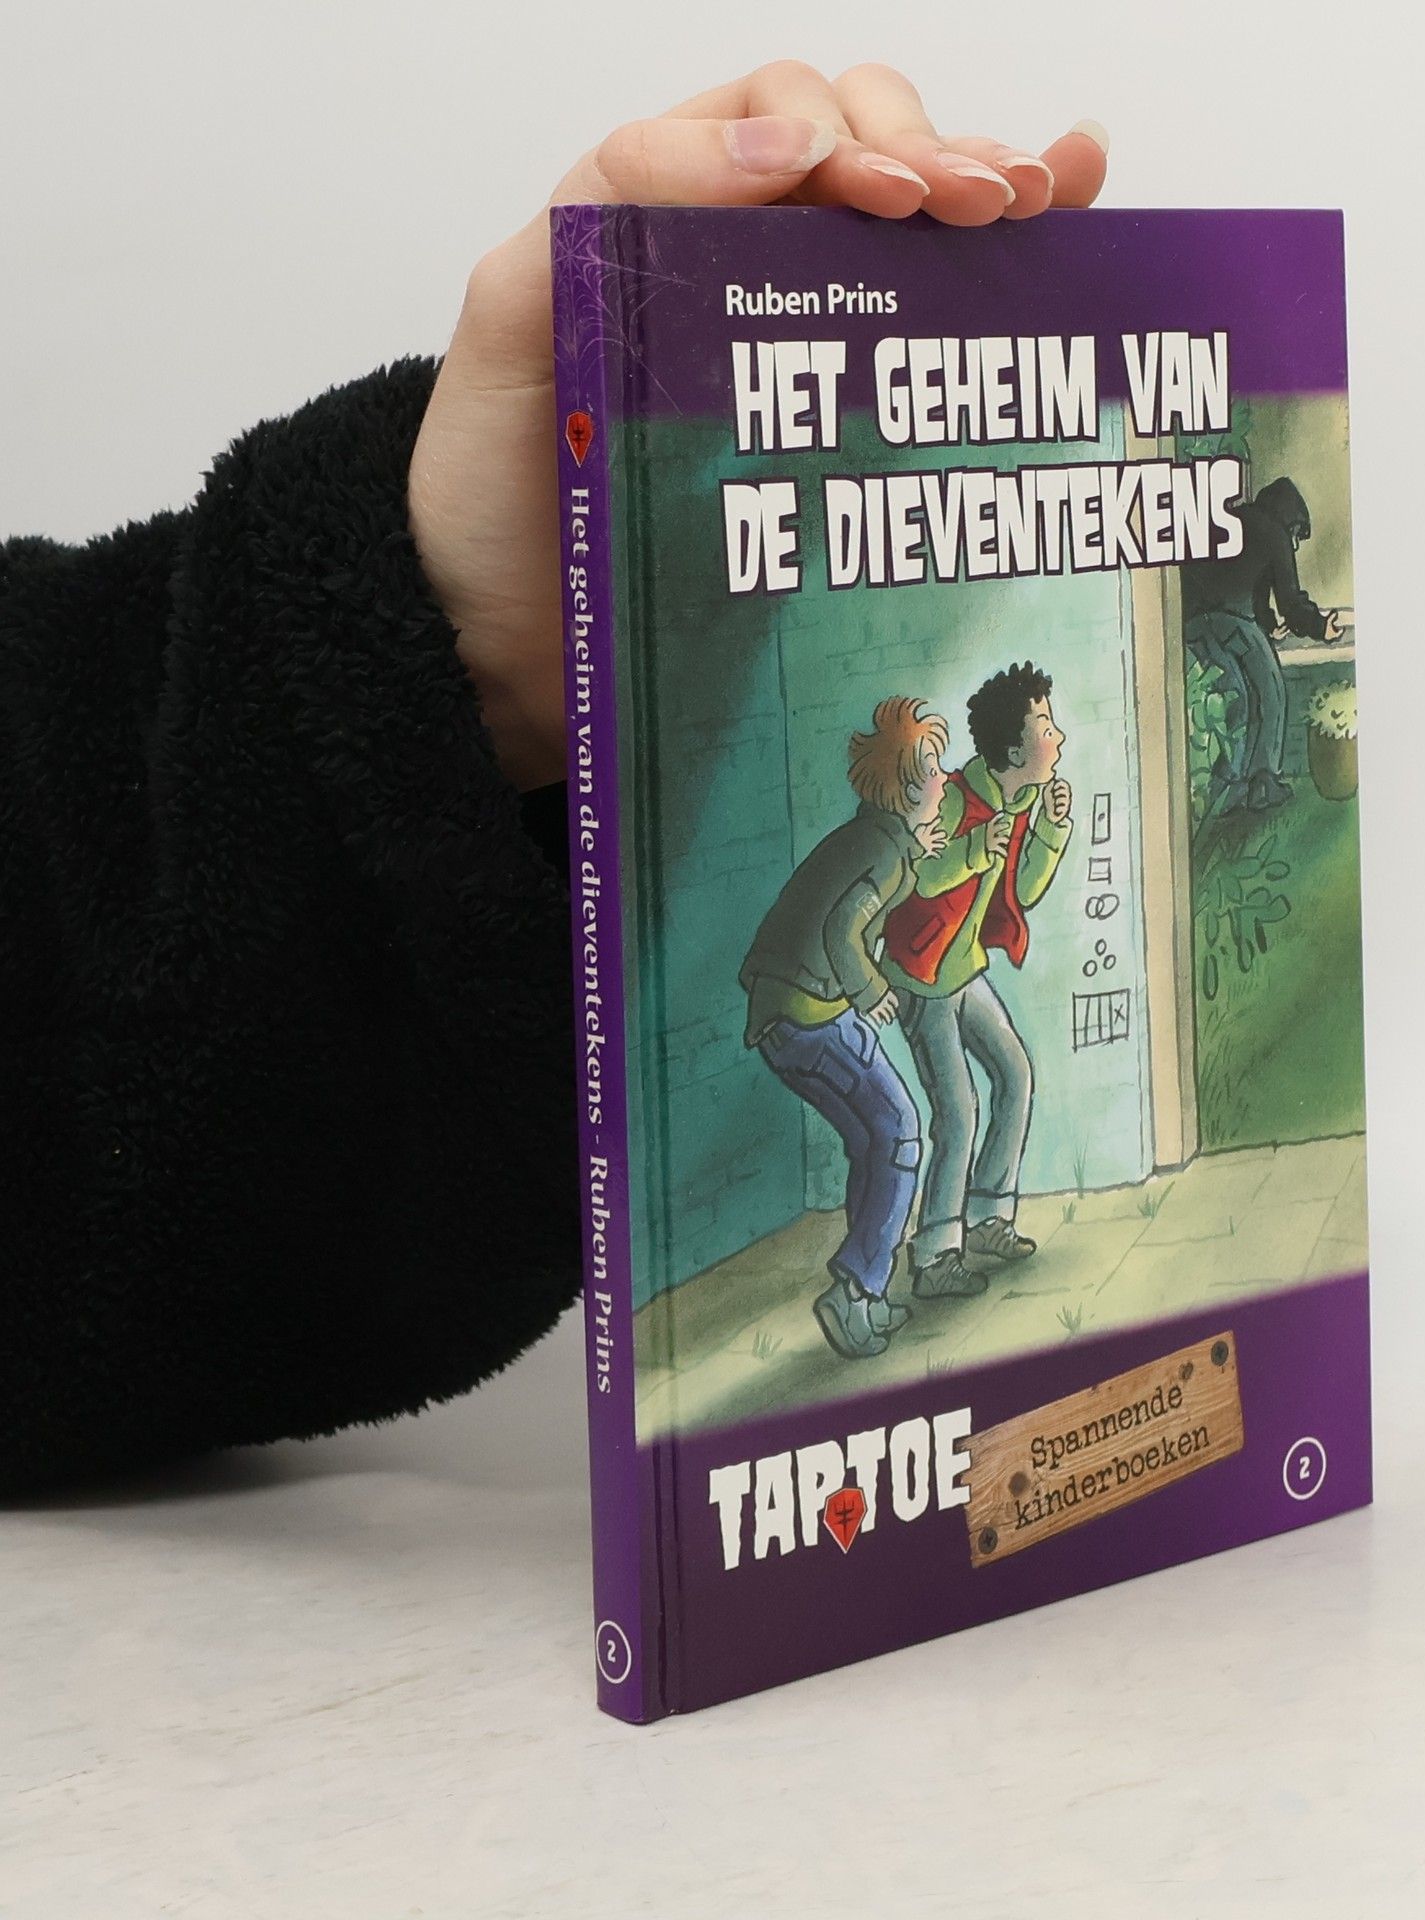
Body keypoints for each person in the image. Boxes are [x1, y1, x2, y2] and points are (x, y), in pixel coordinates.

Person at [0, 63, 1109, 1491]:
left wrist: (461, 673)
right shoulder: (907, 833)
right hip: (841, 996)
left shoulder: (955, 818)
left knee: (963, 1095)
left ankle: (946, 1239)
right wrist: (902, 962)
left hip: (867, 978)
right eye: (950, 756)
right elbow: (881, 915)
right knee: (911, 1120)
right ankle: (881, 1279)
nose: (970, 764)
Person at [740, 699, 951, 1359]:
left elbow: (865, 890)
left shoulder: (877, 840)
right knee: (903, 1132)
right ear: (908, 787)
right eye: (933, 768)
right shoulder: (883, 854)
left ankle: (867, 1293)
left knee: (870, 1139)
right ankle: (855, 1291)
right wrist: (873, 990)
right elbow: (843, 927)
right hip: (812, 1016)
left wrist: (916, 851)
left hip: (782, 1018)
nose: (945, 778)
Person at [881, 664, 1072, 1298]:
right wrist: (974, 847)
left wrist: (1050, 830)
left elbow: (1023, 891)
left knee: (1014, 1074)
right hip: (922, 976)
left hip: (961, 970)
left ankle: (988, 1218)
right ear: (1014, 751)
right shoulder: (960, 799)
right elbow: (920, 873)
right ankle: (935, 1255)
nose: (1058, 737)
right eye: (1045, 727)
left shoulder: (1017, 803)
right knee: (958, 1113)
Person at [1182, 477, 1344, 814]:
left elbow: (1244, 583)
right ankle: (1263, 784)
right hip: (1233, 622)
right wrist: (1320, 627)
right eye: (1296, 535)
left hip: (1194, 622)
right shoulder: (1274, 533)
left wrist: (1268, 626)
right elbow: (1290, 602)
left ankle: (1227, 787)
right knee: (1270, 693)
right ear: (1290, 520)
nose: (1294, 545)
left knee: (1235, 697)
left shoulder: (1234, 519)